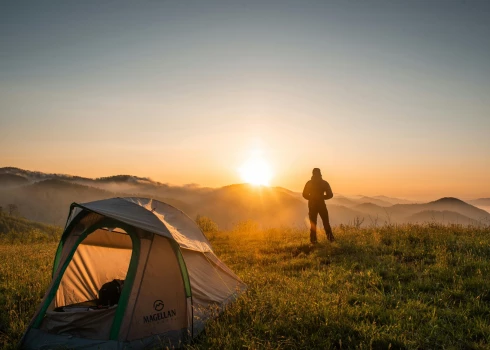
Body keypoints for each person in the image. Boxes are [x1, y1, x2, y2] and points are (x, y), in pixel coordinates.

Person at [302, 168, 335, 244]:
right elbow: (330, 195)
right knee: (326, 222)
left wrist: (311, 198)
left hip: (312, 205)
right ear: (320, 173)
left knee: (313, 223)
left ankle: (313, 241)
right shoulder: (324, 183)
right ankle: (331, 239)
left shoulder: (309, 183)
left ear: (312, 173)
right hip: (321, 205)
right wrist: (322, 197)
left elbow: (304, 194)